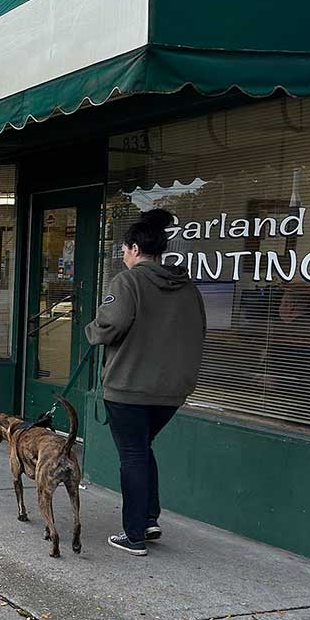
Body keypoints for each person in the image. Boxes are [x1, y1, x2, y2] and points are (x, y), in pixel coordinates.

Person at [85, 208, 206, 557]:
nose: (123, 255)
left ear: (135, 249)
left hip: (129, 386)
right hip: (172, 390)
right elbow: (199, 330)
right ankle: (149, 519)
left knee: (133, 454)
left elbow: (110, 325)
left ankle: (134, 533)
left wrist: (92, 330)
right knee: (142, 448)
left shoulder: (128, 281)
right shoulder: (188, 287)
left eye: (124, 249)